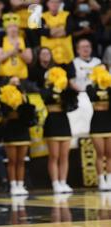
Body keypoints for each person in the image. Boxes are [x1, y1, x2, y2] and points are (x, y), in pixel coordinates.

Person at [41, 65, 78, 193]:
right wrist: (55, 88)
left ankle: (63, 181)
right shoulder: (46, 89)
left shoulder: (65, 89)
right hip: (52, 121)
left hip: (64, 121)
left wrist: (67, 89)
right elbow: (45, 98)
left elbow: (72, 104)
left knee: (64, 155)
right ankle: (55, 182)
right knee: (54, 155)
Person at [0, 78, 37, 196]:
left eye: (18, 82)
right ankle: (13, 185)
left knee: (21, 160)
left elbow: (29, 112)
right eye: (13, 82)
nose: (16, 84)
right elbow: (3, 112)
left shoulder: (24, 96)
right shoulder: (4, 96)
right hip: (10, 128)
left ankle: (21, 184)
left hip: (22, 129)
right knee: (12, 160)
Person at [85, 64, 111, 190]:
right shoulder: (91, 87)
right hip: (97, 122)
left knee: (110, 153)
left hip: (109, 121)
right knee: (100, 153)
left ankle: (110, 179)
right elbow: (92, 97)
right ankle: (101, 179)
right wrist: (97, 82)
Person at [0, 13, 33, 82]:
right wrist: (12, 51)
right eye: (10, 27)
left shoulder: (24, 40)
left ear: (18, 28)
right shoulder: (1, 40)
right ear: (6, 28)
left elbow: (29, 60)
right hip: (5, 78)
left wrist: (19, 51)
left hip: (22, 78)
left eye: (15, 26)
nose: (12, 29)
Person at [40, 0, 75, 66]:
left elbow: (68, 30)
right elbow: (44, 32)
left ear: (60, 4)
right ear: (47, 4)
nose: (54, 4)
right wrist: (61, 28)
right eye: (52, 2)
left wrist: (51, 29)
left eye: (57, 2)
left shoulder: (67, 15)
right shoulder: (42, 17)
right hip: (49, 56)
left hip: (66, 55)